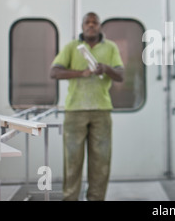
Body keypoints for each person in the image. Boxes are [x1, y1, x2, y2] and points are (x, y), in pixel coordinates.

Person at [50, 12, 123, 201]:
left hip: (101, 110)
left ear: (100, 26)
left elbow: (121, 75)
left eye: (95, 22)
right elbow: (54, 72)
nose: (91, 25)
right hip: (75, 110)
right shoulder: (72, 47)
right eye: (87, 22)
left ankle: (96, 198)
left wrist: (105, 68)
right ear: (82, 26)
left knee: (101, 161)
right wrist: (80, 73)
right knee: (72, 160)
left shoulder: (111, 47)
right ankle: (70, 198)